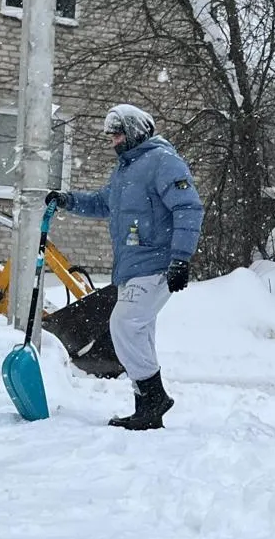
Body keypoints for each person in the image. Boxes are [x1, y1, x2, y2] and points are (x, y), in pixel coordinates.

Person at [50, 103, 204, 430]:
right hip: (133, 266)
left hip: (157, 263)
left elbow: (189, 208)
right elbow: (102, 203)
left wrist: (180, 258)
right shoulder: (124, 170)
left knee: (124, 324)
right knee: (138, 330)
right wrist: (67, 200)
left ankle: (153, 398)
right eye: (111, 136)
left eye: (117, 134)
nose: (113, 141)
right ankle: (148, 405)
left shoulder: (163, 161)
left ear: (134, 131)